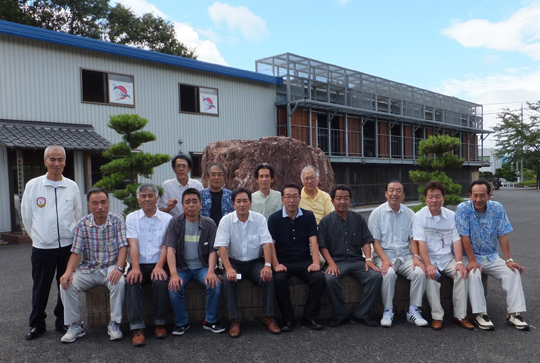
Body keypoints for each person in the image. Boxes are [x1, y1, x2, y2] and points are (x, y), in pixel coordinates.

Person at [21, 146, 83, 340]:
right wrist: (39, 237)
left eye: (60, 160)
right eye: (52, 159)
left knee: (65, 284)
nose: (57, 163)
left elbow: (77, 214)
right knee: (41, 287)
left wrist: (70, 237)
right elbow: (27, 216)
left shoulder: (72, 186)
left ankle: (62, 321)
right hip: (42, 246)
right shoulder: (34, 185)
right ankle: (37, 324)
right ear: (45, 161)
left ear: (65, 162)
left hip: (67, 246)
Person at [455, 180, 528, 331]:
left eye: (482, 195)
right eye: (475, 195)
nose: (478, 199)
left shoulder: (497, 208)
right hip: (469, 256)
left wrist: (509, 259)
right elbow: (464, 237)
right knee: (474, 273)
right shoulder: (462, 208)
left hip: (491, 256)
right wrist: (472, 261)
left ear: (489, 196)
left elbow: (503, 234)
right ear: (470, 195)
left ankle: (514, 314)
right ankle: (480, 313)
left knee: (512, 272)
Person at [59, 188, 128, 343]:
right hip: (89, 268)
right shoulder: (82, 224)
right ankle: (75, 325)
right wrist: (68, 271)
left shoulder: (117, 220)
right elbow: (76, 252)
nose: (100, 207)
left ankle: (114, 324)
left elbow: (124, 246)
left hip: (110, 266)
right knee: (66, 284)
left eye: (103, 202)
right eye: (95, 203)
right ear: (89, 206)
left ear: (108, 203)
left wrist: (119, 268)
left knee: (119, 282)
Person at [214, 187, 280, 338]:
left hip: (254, 263)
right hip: (235, 263)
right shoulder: (226, 220)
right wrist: (228, 268)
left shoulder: (259, 219)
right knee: (228, 281)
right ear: (233, 204)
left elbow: (267, 243)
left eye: (245, 201)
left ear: (251, 203)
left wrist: (267, 265)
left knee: (268, 277)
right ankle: (235, 320)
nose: (242, 204)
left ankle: (269, 317)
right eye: (238, 201)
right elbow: (221, 246)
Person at [319, 184, 382, 327]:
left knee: (375, 276)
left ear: (350, 200)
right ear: (332, 200)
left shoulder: (358, 218)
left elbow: (366, 240)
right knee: (329, 278)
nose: (342, 202)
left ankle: (361, 313)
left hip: (356, 260)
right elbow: (322, 245)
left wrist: (368, 259)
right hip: (336, 261)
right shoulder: (326, 221)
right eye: (339, 198)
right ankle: (341, 314)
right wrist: (331, 263)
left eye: (345, 198)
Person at [412, 181, 473, 330]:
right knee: (430, 276)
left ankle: (460, 315)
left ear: (443, 199)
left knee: (462, 273)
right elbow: (421, 243)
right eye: (430, 197)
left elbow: (457, 240)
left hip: (447, 258)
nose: (434, 200)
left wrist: (459, 262)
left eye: (437, 197)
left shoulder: (452, 216)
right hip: (430, 258)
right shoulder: (419, 216)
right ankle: (437, 316)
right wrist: (428, 264)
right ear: (425, 199)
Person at [163, 188, 224, 336]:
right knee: (174, 286)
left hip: (202, 266)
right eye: (187, 202)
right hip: (182, 267)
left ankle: (210, 321)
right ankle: (182, 322)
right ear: (183, 206)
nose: (191, 205)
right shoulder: (175, 223)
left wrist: (211, 271)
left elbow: (212, 251)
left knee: (215, 284)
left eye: (195, 201)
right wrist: (174, 274)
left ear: (201, 205)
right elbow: (170, 249)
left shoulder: (209, 224)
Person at [368, 180, 427, 328]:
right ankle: (388, 310)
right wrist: (384, 259)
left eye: (398, 191)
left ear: (403, 194)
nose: (395, 194)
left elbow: (412, 238)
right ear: (386, 193)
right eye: (391, 190)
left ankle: (413, 310)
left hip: (405, 255)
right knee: (388, 274)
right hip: (384, 254)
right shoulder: (377, 214)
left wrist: (416, 257)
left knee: (419, 272)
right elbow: (375, 241)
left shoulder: (410, 214)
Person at [268, 183, 325, 332]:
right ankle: (288, 318)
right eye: (288, 197)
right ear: (282, 199)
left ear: (300, 198)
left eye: (295, 196)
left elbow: (313, 240)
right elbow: (270, 245)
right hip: (283, 262)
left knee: (318, 278)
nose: (291, 200)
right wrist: (275, 265)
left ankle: (309, 316)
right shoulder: (274, 219)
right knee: (279, 280)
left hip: (303, 261)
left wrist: (315, 262)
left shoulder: (308, 216)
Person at [125, 183, 173, 346]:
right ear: (138, 200)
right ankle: (137, 328)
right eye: (143, 196)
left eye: (150, 196)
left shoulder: (167, 219)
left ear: (157, 199)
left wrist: (159, 266)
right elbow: (133, 245)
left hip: (159, 262)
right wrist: (135, 268)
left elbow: (166, 246)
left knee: (160, 282)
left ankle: (160, 323)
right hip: (139, 263)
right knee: (132, 281)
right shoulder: (131, 217)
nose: (147, 199)